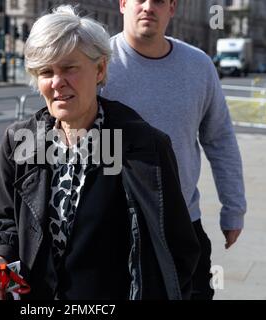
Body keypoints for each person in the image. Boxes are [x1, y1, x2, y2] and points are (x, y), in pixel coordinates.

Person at [0, 5, 200, 300]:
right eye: (46, 71)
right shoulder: (20, 142)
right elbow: (4, 222)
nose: (58, 82)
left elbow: (177, 248)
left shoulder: (144, 145)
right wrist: (0, 256)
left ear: (100, 69)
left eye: (70, 67)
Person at [101, 0, 247, 300]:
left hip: (182, 225)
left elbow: (219, 139)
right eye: (139, 0)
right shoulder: (97, 62)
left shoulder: (198, 65)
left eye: (158, 1)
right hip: (111, 226)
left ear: (172, 8)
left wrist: (234, 208)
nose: (147, 7)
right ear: (123, 4)